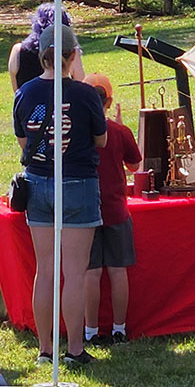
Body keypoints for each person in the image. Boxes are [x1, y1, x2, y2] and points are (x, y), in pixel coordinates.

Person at [14, 25, 107, 365]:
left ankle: (44, 349)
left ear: (42, 55)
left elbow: (24, 142)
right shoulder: (84, 94)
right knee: (74, 272)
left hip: (38, 184)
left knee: (46, 271)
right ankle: (74, 350)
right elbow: (101, 139)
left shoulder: (24, 93)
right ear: (71, 56)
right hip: (78, 184)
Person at [80, 74, 141, 346]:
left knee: (90, 273)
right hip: (116, 209)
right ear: (109, 101)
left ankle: (90, 332)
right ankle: (119, 329)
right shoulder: (119, 132)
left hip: (85, 210)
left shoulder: (78, 132)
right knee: (118, 271)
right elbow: (135, 167)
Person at [9, 3, 85, 91]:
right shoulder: (69, 52)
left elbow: (16, 90)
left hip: (28, 102)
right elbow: (80, 83)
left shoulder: (17, 50)